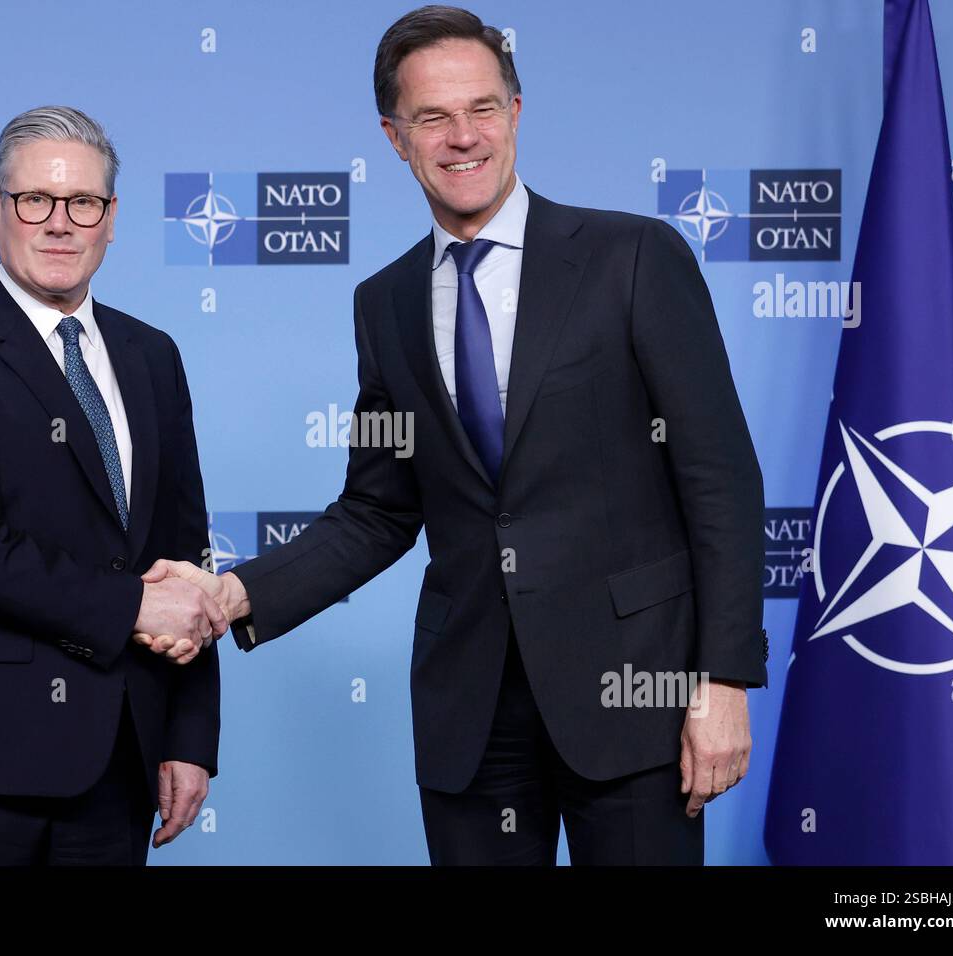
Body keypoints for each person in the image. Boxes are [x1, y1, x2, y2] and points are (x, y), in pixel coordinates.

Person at [141, 6, 768, 865]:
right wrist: (228, 595)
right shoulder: (386, 302)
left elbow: (720, 479)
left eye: (482, 108)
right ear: (395, 137)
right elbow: (377, 510)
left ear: (517, 111)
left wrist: (723, 679)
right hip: (470, 709)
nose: (461, 136)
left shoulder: (632, 256)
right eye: (432, 116)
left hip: (634, 695)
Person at [0, 106, 225, 865]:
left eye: (82, 203)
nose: (60, 223)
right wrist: (135, 604)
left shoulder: (153, 356)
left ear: (110, 219)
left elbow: (183, 558)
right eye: (35, 201)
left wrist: (190, 736)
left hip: (117, 767)